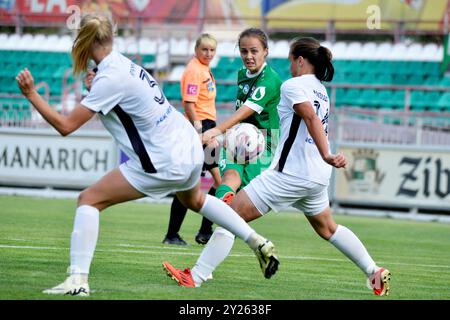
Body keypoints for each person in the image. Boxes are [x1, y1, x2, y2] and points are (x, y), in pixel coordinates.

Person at [15, 14, 279, 296]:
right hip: (187, 144)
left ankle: (78, 280)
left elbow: (65, 126)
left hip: (164, 158)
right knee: (196, 200)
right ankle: (256, 241)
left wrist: (31, 93)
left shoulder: (109, 77)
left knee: (88, 200)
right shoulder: (123, 64)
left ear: (86, 41)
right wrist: (94, 88)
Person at [163, 37, 391, 296]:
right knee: (328, 228)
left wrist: (327, 153)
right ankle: (374, 271)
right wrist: (325, 157)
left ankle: (196, 276)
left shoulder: (294, 85)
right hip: (316, 177)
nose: (289, 65)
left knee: (230, 217)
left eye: (291, 60)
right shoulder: (321, 90)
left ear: (300, 60)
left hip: (290, 174)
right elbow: (312, 120)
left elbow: (310, 117)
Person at [201, 28, 282, 208]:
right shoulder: (242, 74)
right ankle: (214, 223)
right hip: (238, 138)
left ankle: (218, 222)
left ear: (265, 51)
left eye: (254, 51)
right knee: (229, 179)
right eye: (244, 51)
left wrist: (215, 131)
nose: (248, 56)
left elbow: (244, 111)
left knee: (241, 199)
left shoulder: (270, 80)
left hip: (264, 144)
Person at [162, 33, 221, 246]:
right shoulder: (195, 70)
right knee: (219, 179)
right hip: (201, 126)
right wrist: (198, 130)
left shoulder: (203, 69)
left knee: (192, 182)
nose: (208, 53)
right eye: (204, 49)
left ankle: (179, 233)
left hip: (207, 126)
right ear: (196, 50)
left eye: (212, 50)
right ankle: (204, 231)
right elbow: (189, 104)